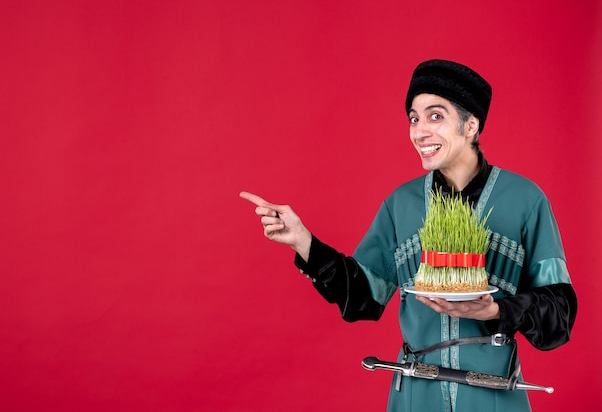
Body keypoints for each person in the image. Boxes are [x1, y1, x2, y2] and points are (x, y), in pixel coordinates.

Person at [240, 59, 577, 412]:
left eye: (435, 116)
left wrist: (494, 309)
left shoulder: (524, 199)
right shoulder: (400, 205)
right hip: (416, 393)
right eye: (414, 119)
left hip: (493, 393)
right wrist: (302, 241)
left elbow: (559, 312)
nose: (419, 132)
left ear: (471, 125)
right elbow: (363, 299)